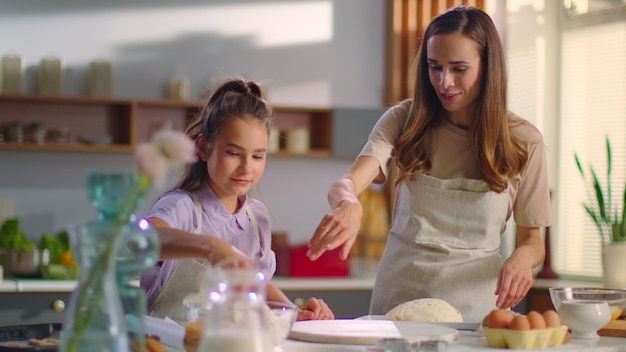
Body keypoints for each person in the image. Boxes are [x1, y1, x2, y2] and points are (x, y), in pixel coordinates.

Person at [307, 6, 552, 319]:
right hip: (397, 308)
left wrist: (522, 257)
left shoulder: (525, 142)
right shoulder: (403, 120)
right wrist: (349, 203)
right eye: (434, 67)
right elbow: (347, 182)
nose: (444, 81)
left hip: (477, 313)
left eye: (459, 69)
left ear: (488, 68)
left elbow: (534, 241)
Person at [140, 78, 334, 322]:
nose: (246, 168)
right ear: (203, 148)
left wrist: (294, 314)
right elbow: (144, 239)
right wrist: (210, 247)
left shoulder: (257, 218)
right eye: (233, 153)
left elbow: (256, 286)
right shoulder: (182, 206)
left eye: (257, 157)